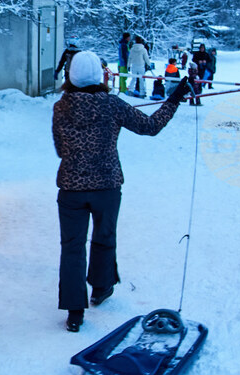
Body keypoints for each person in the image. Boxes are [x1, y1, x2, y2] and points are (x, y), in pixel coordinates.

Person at [52, 50, 190, 332]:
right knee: (104, 237)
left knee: (72, 248)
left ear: (71, 76)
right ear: (99, 76)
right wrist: (174, 99)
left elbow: (60, 149)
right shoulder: (112, 105)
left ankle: (75, 312)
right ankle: (101, 288)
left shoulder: (60, 107)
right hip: (107, 186)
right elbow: (150, 126)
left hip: (71, 189)